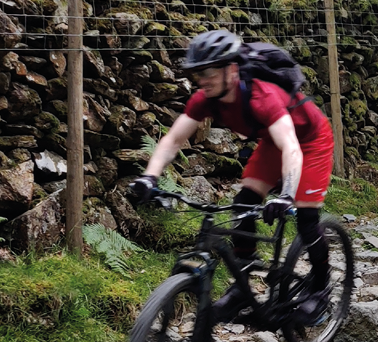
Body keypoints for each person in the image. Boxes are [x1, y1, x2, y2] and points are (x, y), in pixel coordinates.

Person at [131, 29, 335, 321]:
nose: (204, 80)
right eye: (199, 74)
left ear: (232, 69)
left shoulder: (262, 97)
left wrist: (287, 195)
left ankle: (320, 289)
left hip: (310, 140)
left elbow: (291, 146)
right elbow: (173, 140)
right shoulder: (206, 99)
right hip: (273, 141)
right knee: (244, 202)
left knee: (305, 218)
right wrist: (149, 177)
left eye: (210, 72)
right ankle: (242, 285)